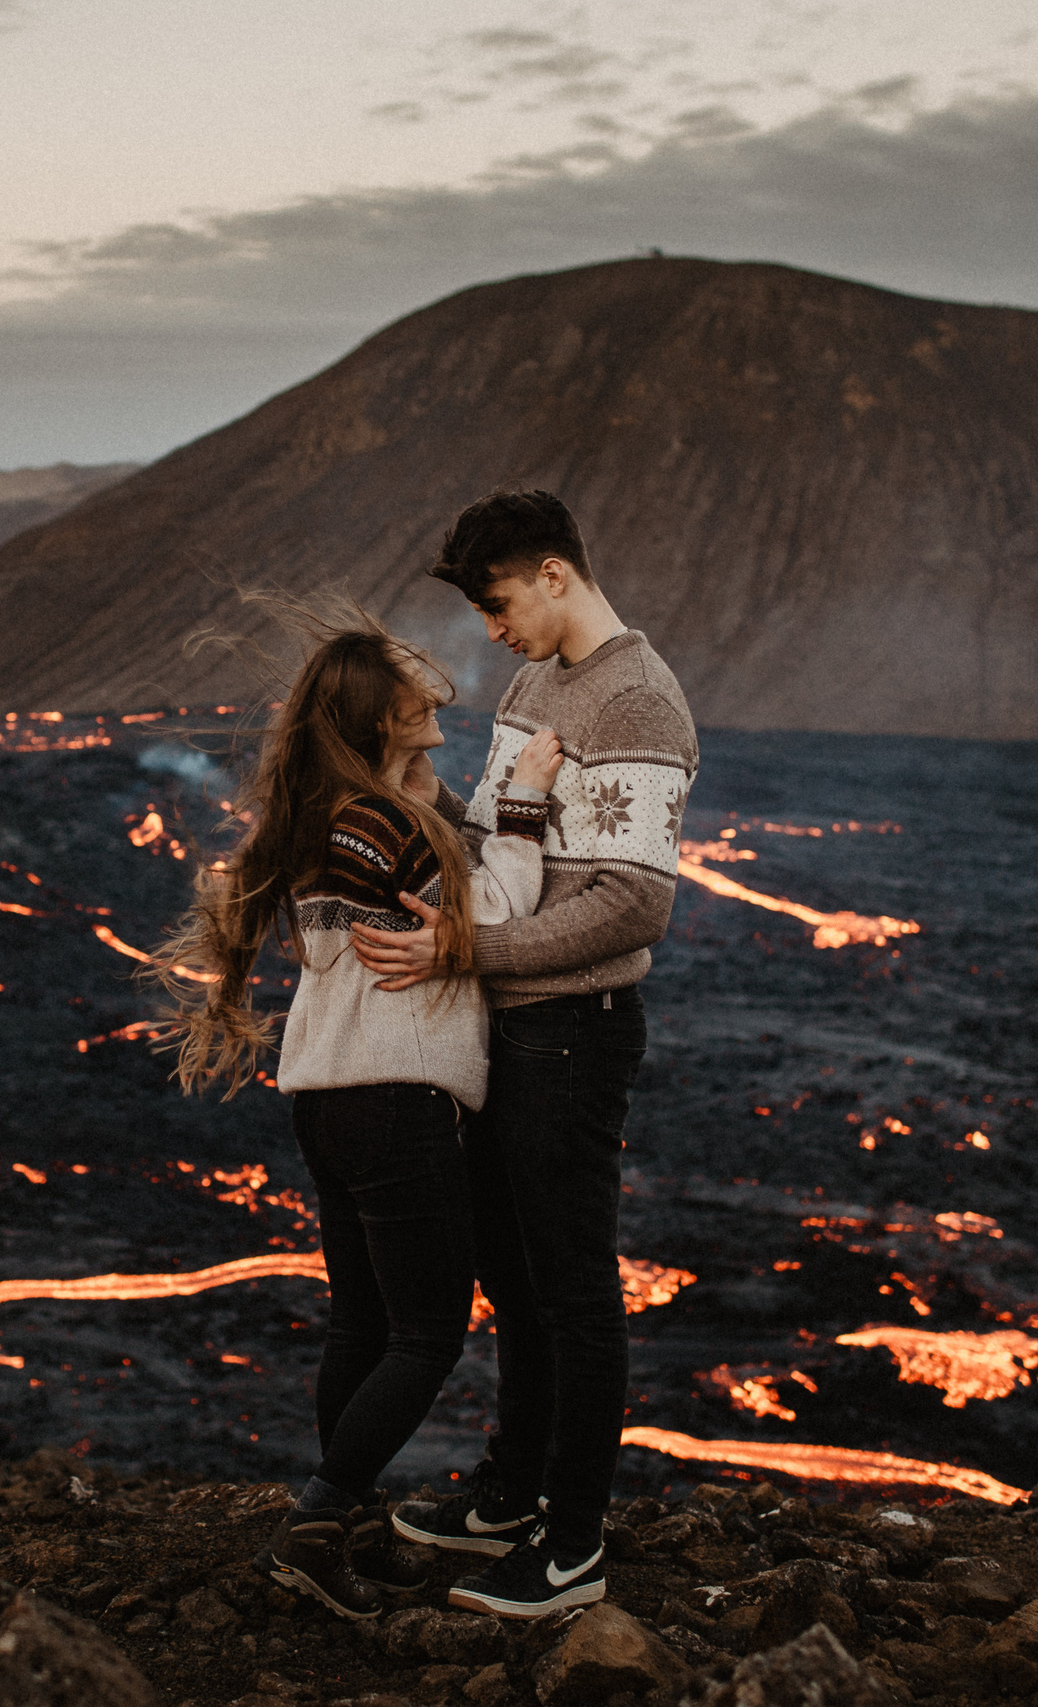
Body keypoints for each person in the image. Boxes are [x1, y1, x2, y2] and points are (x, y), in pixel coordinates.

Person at [153, 609, 565, 1621]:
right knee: (426, 1335)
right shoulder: (378, 822)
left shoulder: (340, 813)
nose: (431, 691)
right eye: (410, 688)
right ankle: (315, 1525)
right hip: (397, 1094)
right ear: (384, 717)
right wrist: (522, 803)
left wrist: (432, 796)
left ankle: (339, 1532)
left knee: (362, 1323)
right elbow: (497, 917)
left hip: (327, 1097)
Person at [351, 491, 697, 1620]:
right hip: (507, 1025)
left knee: (573, 1289)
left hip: (571, 1036)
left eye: (498, 603)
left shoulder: (637, 700)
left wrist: (470, 950)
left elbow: (631, 904)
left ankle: (573, 1546)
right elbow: (515, 841)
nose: (492, 631)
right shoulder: (533, 685)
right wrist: (419, 794)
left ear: (554, 574)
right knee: (515, 1281)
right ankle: (510, 1495)